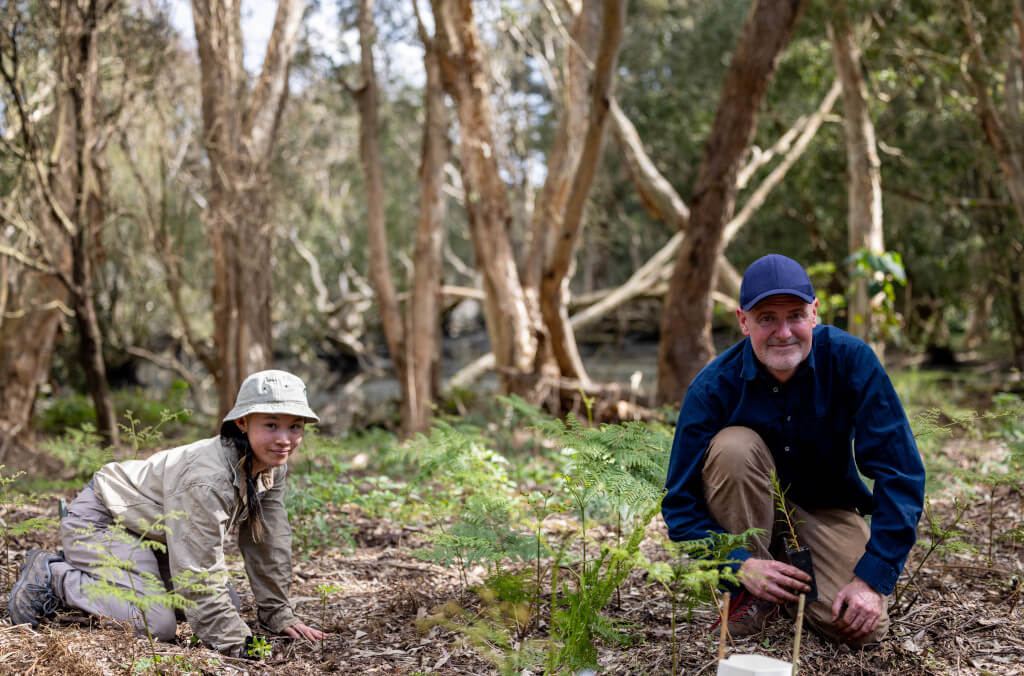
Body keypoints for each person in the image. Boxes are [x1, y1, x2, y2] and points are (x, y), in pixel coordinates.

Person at [661, 254, 925, 646]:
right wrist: (738, 566)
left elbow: (899, 472)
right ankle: (750, 592)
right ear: (743, 321)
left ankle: (788, 571)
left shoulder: (851, 361)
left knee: (859, 630)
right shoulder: (713, 388)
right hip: (745, 518)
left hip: (825, 513)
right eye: (767, 317)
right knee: (734, 447)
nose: (784, 332)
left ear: (814, 314)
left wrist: (871, 578)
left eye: (796, 315)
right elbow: (680, 505)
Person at [8, 369, 326, 658]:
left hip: (154, 536)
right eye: (271, 425)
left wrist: (277, 612)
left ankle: (113, 575)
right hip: (104, 522)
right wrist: (240, 643)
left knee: (229, 603)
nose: (284, 439)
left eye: (294, 426)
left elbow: (267, 541)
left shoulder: (268, 464)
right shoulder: (208, 479)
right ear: (242, 423)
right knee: (157, 626)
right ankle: (52, 575)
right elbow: (197, 570)